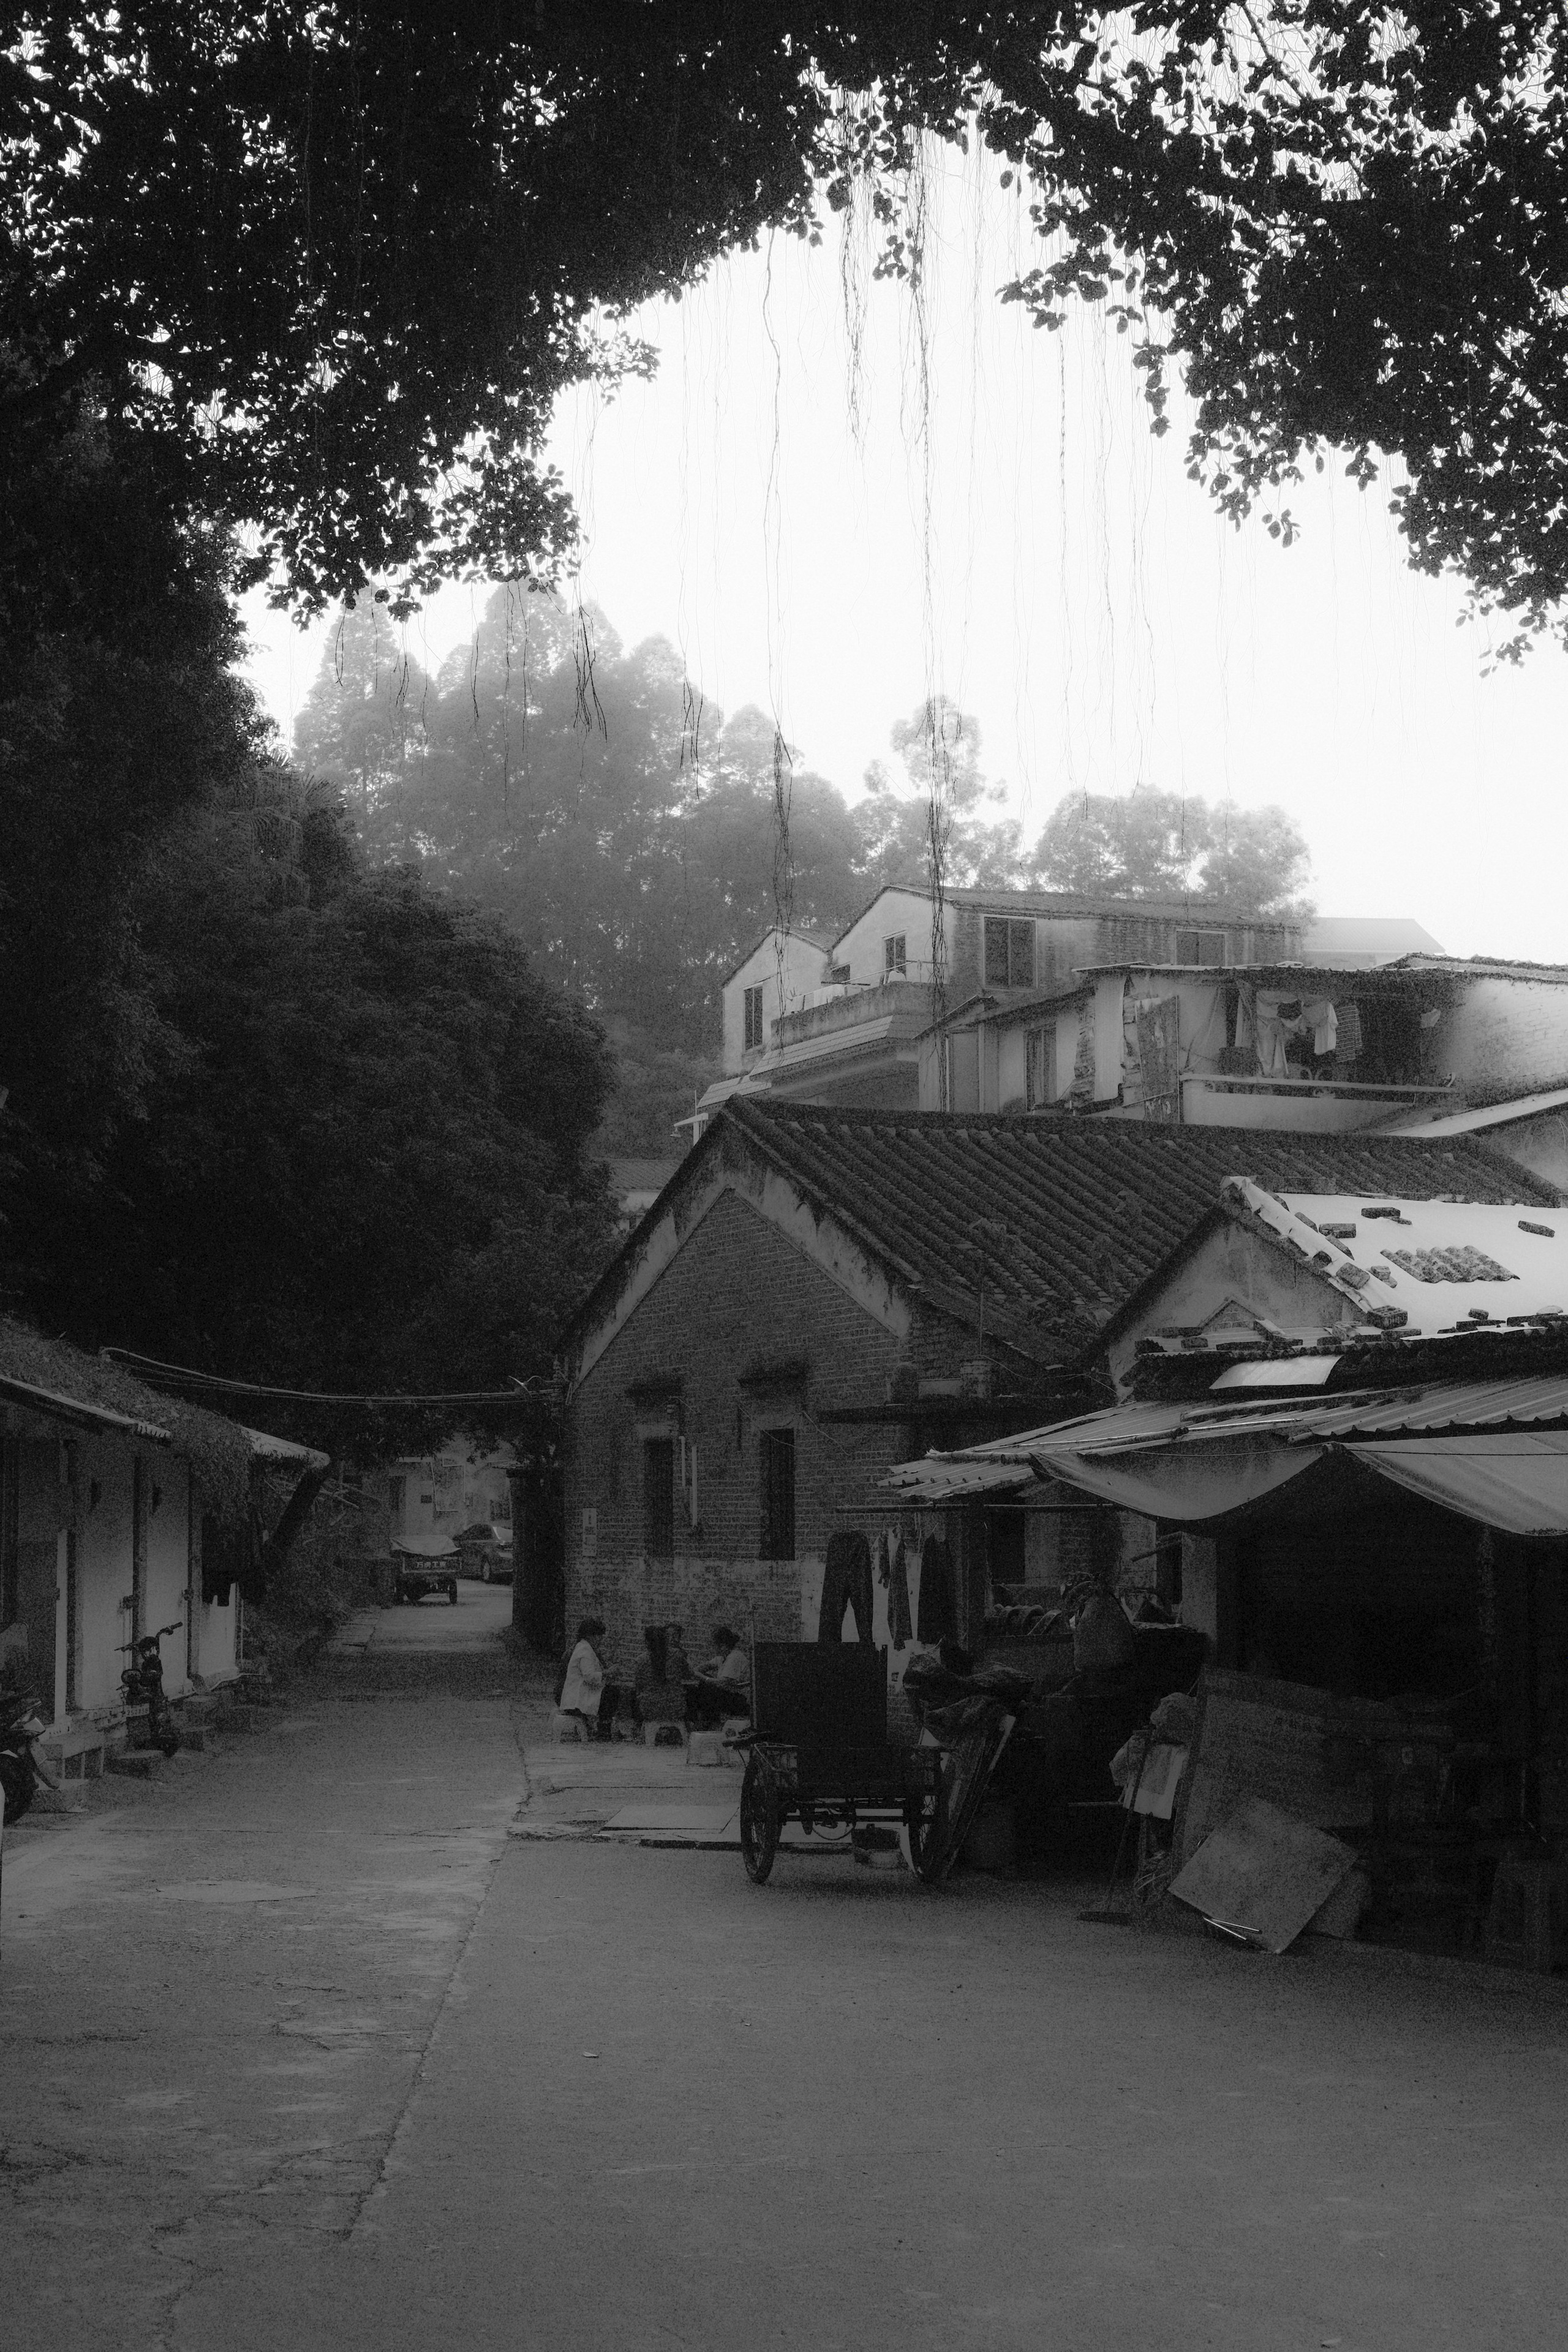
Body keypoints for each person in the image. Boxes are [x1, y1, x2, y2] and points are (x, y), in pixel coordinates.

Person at [557, 1617, 617, 1736]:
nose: (601, 1640)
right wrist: (607, 1673)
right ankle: (604, 1728)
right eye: (599, 1636)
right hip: (577, 1700)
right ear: (591, 1636)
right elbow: (589, 1677)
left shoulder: (582, 1648)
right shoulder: (585, 1651)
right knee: (612, 1693)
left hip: (575, 1695)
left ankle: (602, 1726)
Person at [690, 1623, 750, 1727]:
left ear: (722, 1646)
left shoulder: (735, 1657)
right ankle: (701, 1722)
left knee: (707, 1690)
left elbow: (723, 1683)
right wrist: (695, 1672)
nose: (712, 1648)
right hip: (729, 1694)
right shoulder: (722, 1658)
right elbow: (703, 1667)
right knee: (696, 1690)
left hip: (740, 1699)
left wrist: (703, 1677)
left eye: (714, 1645)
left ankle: (710, 1724)